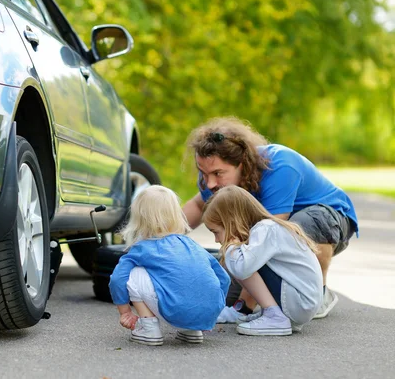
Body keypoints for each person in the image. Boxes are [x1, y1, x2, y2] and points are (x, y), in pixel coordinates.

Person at [182, 116, 358, 322]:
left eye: (217, 173)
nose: (210, 183)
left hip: (330, 221)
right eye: (203, 173)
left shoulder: (280, 166)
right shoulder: (213, 180)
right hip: (277, 233)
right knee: (223, 287)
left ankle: (319, 291)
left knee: (298, 225)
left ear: (242, 162)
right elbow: (197, 205)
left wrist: (244, 307)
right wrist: (159, 238)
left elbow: (269, 239)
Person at [108, 185, 230, 346]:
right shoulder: (192, 245)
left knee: (133, 272)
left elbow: (117, 279)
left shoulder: (141, 248)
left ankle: (149, 328)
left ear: (139, 218)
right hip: (207, 316)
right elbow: (224, 278)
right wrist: (212, 309)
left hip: (174, 310)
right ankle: (191, 331)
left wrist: (125, 311)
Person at [202, 185, 323, 335]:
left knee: (241, 262)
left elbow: (243, 269)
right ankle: (266, 312)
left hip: (300, 302)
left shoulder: (266, 230)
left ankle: (275, 316)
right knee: (244, 260)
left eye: (216, 232)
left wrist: (231, 246)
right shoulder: (264, 230)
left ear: (231, 222)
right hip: (299, 302)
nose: (216, 239)